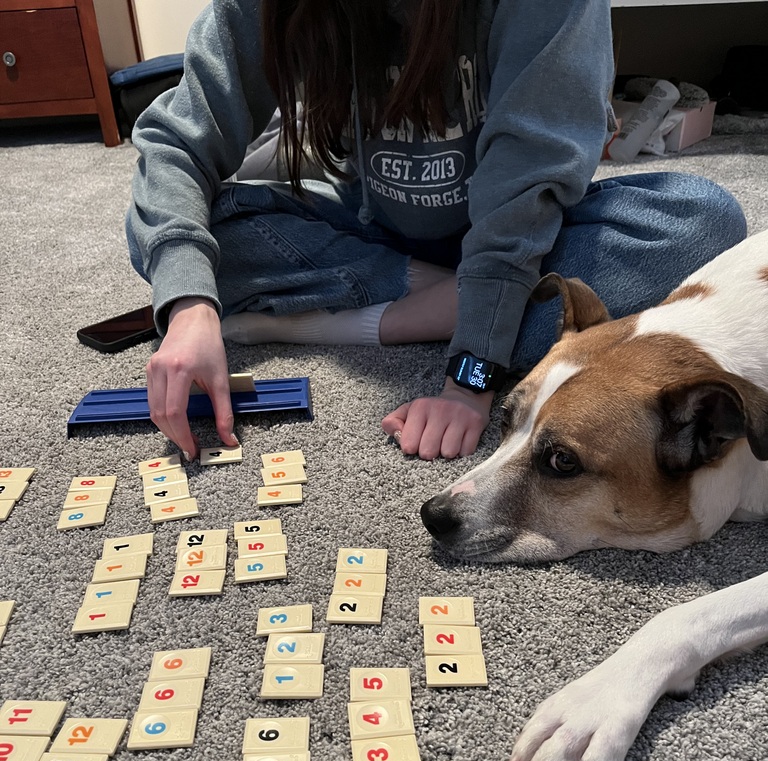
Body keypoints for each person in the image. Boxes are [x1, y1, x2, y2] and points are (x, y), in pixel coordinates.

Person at [127, 0, 746, 462]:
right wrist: (189, 309)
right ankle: (453, 297)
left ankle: (385, 319)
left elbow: (527, 188)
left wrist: (471, 378)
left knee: (701, 218)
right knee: (184, 233)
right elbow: (175, 145)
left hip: (530, 237)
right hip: (379, 233)